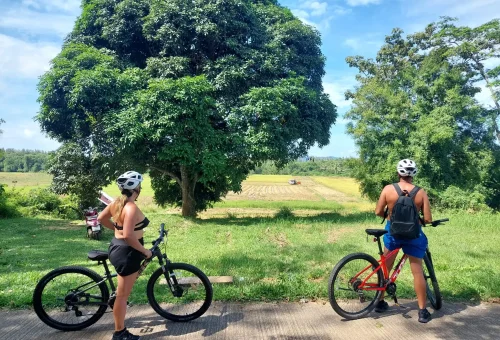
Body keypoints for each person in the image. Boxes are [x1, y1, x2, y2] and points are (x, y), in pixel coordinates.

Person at [374, 159, 433, 323]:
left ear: (399, 172)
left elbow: (378, 211)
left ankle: (379, 302)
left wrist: (390, 218)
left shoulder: (388, 189)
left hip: (393, 234)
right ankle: (422, 312)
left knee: (385, 268)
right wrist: (417, 221)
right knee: (418, 272)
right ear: (414, 173)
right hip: (413, 236)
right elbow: (427, 219)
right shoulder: (421, 193)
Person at [98, 171, 152, 340]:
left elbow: (101, 218)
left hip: (118, 247)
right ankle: (119, 333)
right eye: (139, 186)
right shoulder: (130, 207)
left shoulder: (117, 203)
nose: (140, 188)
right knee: (122, 296)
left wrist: (117, 229)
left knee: (121, 294)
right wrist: (145, 251)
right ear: (136, 188)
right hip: (128, 253)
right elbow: (129, 235)